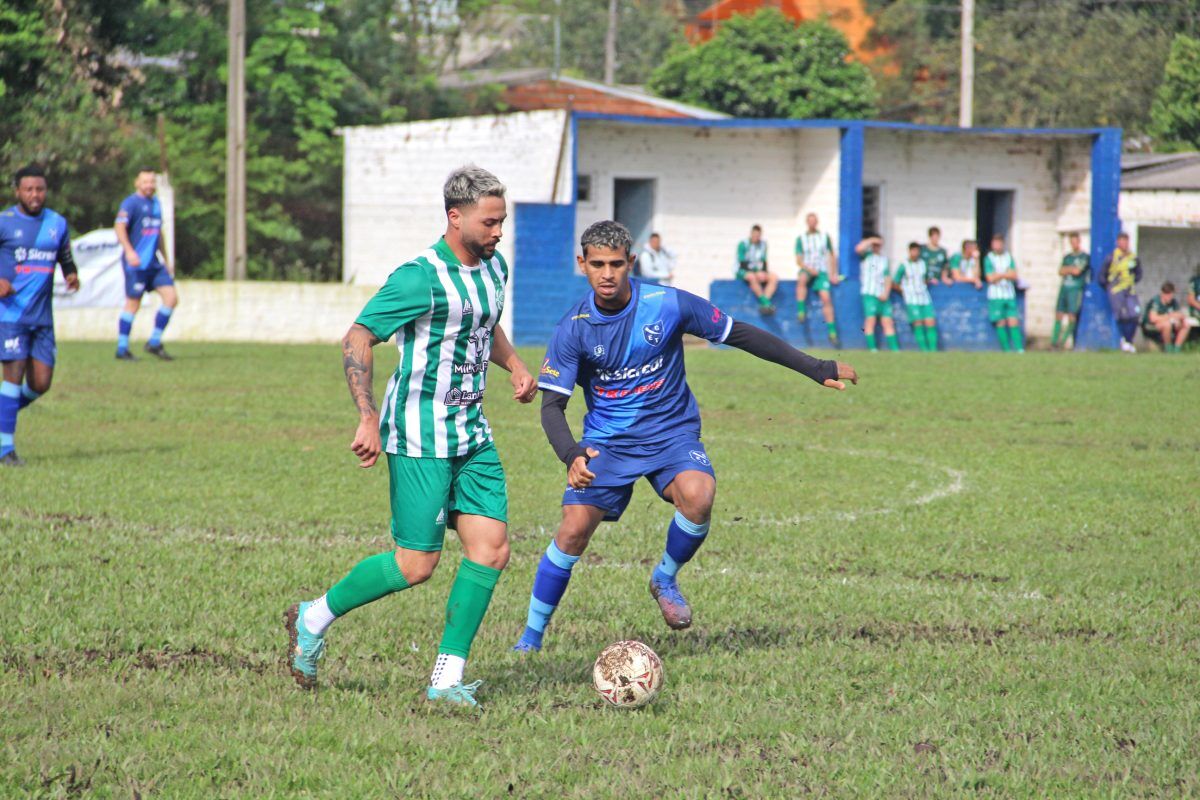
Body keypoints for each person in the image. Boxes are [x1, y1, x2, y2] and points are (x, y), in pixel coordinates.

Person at [511, 220, 856, 652]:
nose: (607, 273)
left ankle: (665, 578)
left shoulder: (667, 303)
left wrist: (815, 367)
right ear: (582, 264)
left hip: (671, 433)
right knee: (573, 530)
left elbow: (740, 333)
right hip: (609, 443)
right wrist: (571, 454)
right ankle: (531, 638)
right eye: (597, 264)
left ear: (631, 262)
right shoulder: (573, 328)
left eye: (616, 264)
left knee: (699, 495)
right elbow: (551, 406)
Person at [283, 166, 537, 708]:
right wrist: (367, 415)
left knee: (491, 551)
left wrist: (513, 364)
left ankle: (446, 679)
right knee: (415, 565)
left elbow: (482, 323)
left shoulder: (495, 269)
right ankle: (313, 616)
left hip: (472, 434)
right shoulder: (418, 277)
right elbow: (358, 337)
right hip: (419, 437)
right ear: (455, 217)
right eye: (489, 222)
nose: (498, 232)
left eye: (502, 221)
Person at [0, 165, 80, 467]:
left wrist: (72, 275)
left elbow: (65, 258)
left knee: (40, 384)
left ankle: (1, 418)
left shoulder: (56, 223)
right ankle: (5, 448)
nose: (35, 195)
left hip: (43, 318)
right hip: (11, 315)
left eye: (40, 189)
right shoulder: (5, 222)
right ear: (17, 191)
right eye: (29, 189)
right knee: (13, 376)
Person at [114, 169, 177, 360]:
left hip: (154, 264)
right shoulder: (131, 203)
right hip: (137, 263)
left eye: (152, 182)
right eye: (145, 182)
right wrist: (129, 251)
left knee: (171, 298)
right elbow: (119, 227)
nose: (149, 185)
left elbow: (159, 234)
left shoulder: (156, 203)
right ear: (137, 183)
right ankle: (122, 348)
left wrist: (166, 259)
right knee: (133, 303)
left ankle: (154, 342)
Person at [794, 212, 841, 343]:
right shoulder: (801, 238)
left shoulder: (824, 237)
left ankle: (832, 332)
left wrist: (833, 274)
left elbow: (832, 255)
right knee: (802, 279)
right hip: (808, 269)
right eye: (810, 221)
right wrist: (809, 269)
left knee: (826, 298)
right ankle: (801, 311)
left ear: (817, 222)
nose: (812, 223)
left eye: (814, 220)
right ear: (807, 222)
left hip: (821, 272)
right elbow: (798, 260)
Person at [1099, 233, 1142, 354]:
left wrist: (1132, 282)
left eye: (1126, 241)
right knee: (1122, 317)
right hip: (1116, 290)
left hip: (1129, 290)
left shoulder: (1133, 257)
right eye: (1122, 241)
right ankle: (1125, 341)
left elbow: (1138, 273)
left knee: (1135, 315)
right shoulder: (1112, 257)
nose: (1124, 244)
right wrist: (1109, 287)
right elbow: (1102, 276)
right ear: (1118, 242)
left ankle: (1128, 340)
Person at [854, 236, 898, 352]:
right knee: (870, 320)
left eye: (879, 244)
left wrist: (886, 292)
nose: (876, 246)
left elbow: (887, 277)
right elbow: (858, 249)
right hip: (870, 294)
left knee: (887, 321)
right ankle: (872, 348)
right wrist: (872, 239)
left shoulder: (884, 260)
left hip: (882, 295)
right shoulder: (867, 256)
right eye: (875, 244)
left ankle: (894, 349)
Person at [893, 242, 939, 352]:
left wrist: (930, 281)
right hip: (911, 299)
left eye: (917, 251)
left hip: (924, 297)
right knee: (918, 322)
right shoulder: (904, 265)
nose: (915, 253)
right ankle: (924, 350)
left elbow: (926, 278)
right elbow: (895, 282)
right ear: (909, 251)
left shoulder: (923, 264)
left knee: (930, 321)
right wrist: (904, 291)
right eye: (913, 250)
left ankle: (933, 351)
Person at [983, 233, 1024, 353]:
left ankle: (1019, 349)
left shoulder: (1008, 257)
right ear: (992, 244)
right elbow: (990, 278)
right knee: (1000, 322)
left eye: (1000, 243)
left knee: (1013, 320)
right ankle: (1006, 350)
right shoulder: (989, 258)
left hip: (1009, 294)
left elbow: (1014, 275)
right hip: (995, 296)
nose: (998, 245)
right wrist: (1005, 274)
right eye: (995, 243)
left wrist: (999, 275)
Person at [1051, 232, 1090, 350]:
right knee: (1058, 314)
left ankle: (1062, 343)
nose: (1073, 244)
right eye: (1071, 242)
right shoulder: (1067, 257)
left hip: (1075, 289)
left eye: (1075, 241)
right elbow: (1060, 271)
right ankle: (1053, 342)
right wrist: (1070, 269)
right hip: (1064, 288)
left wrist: (1068, 269)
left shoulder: (1084, 257)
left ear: (1079, 241)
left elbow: (1077, 271)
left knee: (1072, 316)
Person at [736, 225, 776, 315]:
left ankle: (764, 303)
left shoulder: (763, 245)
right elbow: (742, 263)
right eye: (754, 235)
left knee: (773, 277)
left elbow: (764, 261)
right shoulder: (743, 244)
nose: (756, 237)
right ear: (751, 234)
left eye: (758, 236)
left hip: (758, 271)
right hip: (743, 271)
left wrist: (763, 272)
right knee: (752, 277)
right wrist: (756, 271)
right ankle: (766, 303)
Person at [1141, 282, 1189, 353]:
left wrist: (1179, 319)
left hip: (1169, 323)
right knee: (1167, 325)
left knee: (1186, 325)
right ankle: (1168, 348)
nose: (1169, 297)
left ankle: (1177, 349)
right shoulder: (1156, 301)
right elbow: (1153, 318)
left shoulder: (1173, 302)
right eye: (1167, 294)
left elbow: (1178, 314)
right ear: (1162, 293)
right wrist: (1169, 316)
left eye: (1171, 294)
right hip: (1150, 326)